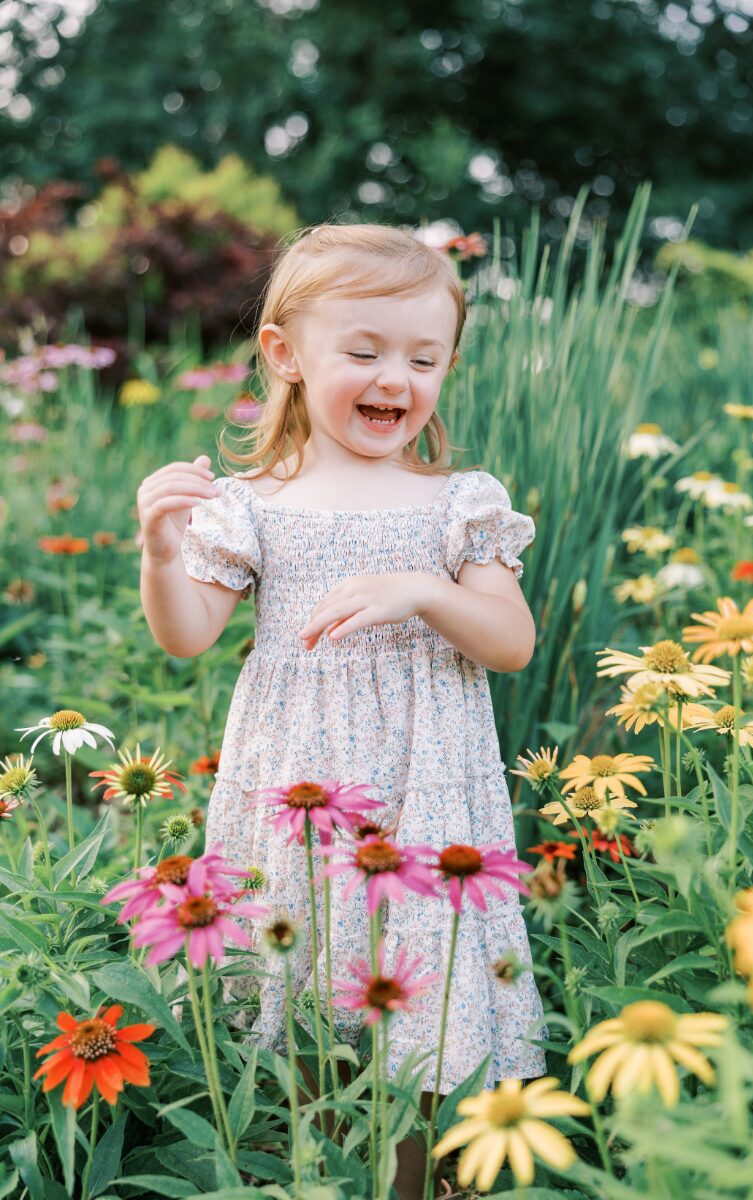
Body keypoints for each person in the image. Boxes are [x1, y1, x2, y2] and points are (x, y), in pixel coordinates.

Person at [136, 224, 544, 1198]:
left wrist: (425, 591)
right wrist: (159, 552)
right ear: (285, 354)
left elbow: (510, 639)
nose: (393, 378)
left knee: (420, 992)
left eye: (423, 356)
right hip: (302, 790)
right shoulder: (255, 503)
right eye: (362, 352)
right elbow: (188, 633)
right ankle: (325, 1174)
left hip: (425, 791)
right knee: (312, 985)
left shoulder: (459, 505)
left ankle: (417, 1180)